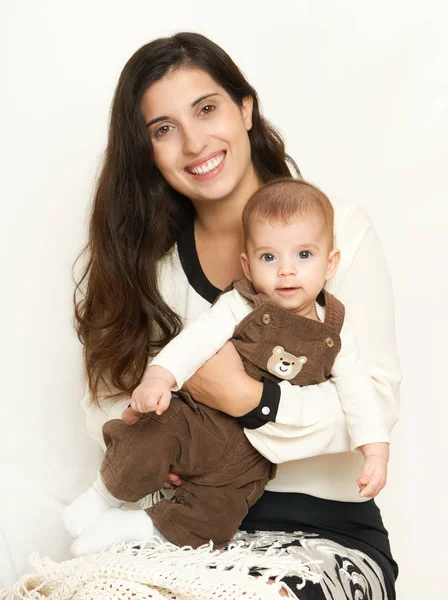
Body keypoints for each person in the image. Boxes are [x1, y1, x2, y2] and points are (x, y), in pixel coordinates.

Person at [72, 32, 401, 599]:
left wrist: (251, 401)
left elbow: (373, 403)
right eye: (163, 128)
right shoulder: (151, 264)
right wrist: (163, 444)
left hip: (327, 530)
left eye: (206, 109)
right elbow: (107, 401)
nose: (194, 142)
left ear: (245, 109)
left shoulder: (335, 233)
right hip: (175, 523)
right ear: (146, 149)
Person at [64, 179, 389, 555]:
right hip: (201, 418)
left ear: (330, 263)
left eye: (304, 255)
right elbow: (196, 340)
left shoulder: (335, 328)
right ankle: (102, 497)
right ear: (248, 266)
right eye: (270, 258)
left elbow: (358, 393)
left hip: (252, 459)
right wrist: (159, 376)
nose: (286, 271)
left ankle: (139, 527)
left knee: (217, 516)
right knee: (151, 437)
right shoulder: (241, 304)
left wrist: (375, 450)